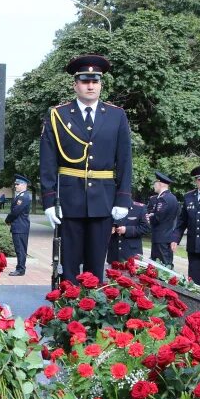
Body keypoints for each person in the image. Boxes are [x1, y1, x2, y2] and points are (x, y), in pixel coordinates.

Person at [40, 54, 132, 283]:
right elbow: (48, 161)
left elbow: (124, 160)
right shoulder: (58, 115)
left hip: (103, 200)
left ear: (101, 84)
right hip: (69, 201)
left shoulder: (116, 115)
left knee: (96, 265)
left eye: (95, 81)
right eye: (85, 81)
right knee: (69, 264)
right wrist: (49, 201)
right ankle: (67, 304)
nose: (90, 86)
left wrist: (123, 199)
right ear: (75, 85)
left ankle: (92, 304)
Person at [146, 172, 179, 267]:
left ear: (160, 184)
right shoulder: (172, 198)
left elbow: (158, 217)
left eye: (155, 183)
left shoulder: (163, 199)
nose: (154, 186)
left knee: (161, 267)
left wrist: (149, 217)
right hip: (166, 236)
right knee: (163, 265)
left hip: (161, 238)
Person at [107, 199, 150, 264]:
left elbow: (146, 228)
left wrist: (127, 230)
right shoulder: (111, 206)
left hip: (131, 254)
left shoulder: (140, 208)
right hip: (113, 254)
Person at [5, 174, 31, 276]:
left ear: (24, 185)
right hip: (19, 226)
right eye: (15, 184)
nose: (15, 186)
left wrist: (8, 220)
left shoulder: (23, 197)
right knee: (19, 249)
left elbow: (16, 211)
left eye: (17, 184)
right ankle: (20, 268)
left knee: (20, 249)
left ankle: (20, 269)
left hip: (20, 226)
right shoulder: (21, 195)